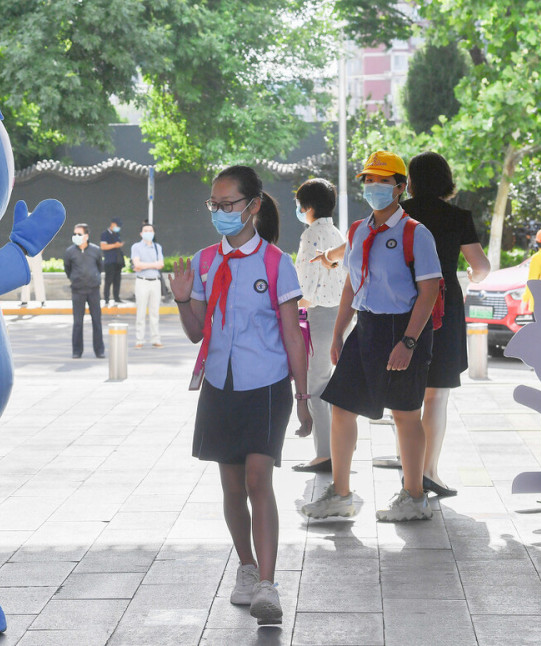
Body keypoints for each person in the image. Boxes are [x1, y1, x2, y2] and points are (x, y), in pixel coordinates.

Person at [169, 165, 311, 625]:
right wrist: (183, 298)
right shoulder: (206, 261)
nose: (220, 212)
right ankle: (246, 568)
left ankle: (268, 584)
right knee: (231, 486)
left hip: (267, 385)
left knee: (257, 481)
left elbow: (293, 336)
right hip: (220, 384)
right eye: (215, 205)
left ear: (252, 206)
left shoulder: (276, 262)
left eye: (228, 204)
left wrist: (303, 396)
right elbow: (196, 334)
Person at [301, 150, 441, 523]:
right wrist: (338, 334)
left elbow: (428, 292)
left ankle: (414, 496)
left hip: (403, 328)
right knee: (342, 408)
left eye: (383, 180)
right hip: (366, 327)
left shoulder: (416, 233)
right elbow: (351, 284)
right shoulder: (358, 231)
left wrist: (409, 342)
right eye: (368, 180)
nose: (374, 186)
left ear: (400, 187)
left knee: (406, 414)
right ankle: (341, 494)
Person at [400, 152, 490, 496]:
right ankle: (429, 471)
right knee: (436, 395)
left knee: (406, 394)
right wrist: (470, 273)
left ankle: (408, 467)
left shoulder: (398, 214)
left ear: (411, 181)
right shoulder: (457, 217)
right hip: (443, 302)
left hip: (403, 303)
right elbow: (480, 267)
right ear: (447, 179)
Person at [291, 178, 346, 473]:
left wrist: (288, 304)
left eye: (300, 204)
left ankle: (325, 454)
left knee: (316, 386)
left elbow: (307, 288)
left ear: (307, 207)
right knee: (326, 385)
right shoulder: (336, 232)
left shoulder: (311, 235)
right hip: (339, 313)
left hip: (322, 316)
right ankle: (333, 450)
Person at [63, 223, 105, 359]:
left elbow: (100, 267)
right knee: (77, 323)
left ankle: (99, 351)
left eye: (79, 234)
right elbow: (67, 269)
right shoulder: (70, 252)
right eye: (74, 234)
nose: (76, 236)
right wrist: (75, 280)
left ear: (86, 236)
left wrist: (94, 279)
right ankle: (77, 351)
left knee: (97, 321)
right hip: (78, 291)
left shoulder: (96, 250)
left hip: (93, 290)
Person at [131, 222, 164, 348]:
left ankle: (156, 339)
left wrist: (143, 265)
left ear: (153, 233)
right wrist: (153, 264)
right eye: (145, 230)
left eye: (150, 231)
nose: (148, 233)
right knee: (141, 312)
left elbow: (160, 264)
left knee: (154, 313)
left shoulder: (157, 247)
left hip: (155, 282)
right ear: (141, 233)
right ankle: (139, 340)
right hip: (142, 281)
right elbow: (137, 264)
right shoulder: (136, 247)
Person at [100, 217, 125, 306]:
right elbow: (103, 246)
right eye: (117, 225)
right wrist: (115, 245)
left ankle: (116, 298)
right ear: (112, 224)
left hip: (117, 261)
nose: (118, 228)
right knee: (108, 281)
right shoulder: (105, 234)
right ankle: (106, 298)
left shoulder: (117, 234)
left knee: (117, 280)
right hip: (109, 262)